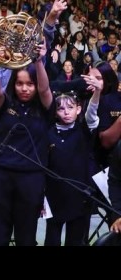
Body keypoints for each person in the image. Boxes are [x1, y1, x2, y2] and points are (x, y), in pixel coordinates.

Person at [0, 42, 52, 246]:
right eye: (20, 83)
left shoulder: (45, 108)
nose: (24, 88)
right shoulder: (6, 104)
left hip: (31, 178)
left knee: (26, 235)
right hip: (0, 175)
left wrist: (39, 61)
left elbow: (45, 89)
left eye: (29, 84)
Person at [45, 82, 102, 246]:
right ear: (55, 112)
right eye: (61, 109)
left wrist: (97, 92)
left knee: (76, 240)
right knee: (52, 240)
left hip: (79, 195)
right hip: (54, 195)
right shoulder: (48, 132)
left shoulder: (84, 129)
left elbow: (92, 112)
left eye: (70, 108)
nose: (66, 112)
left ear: (78, 109)